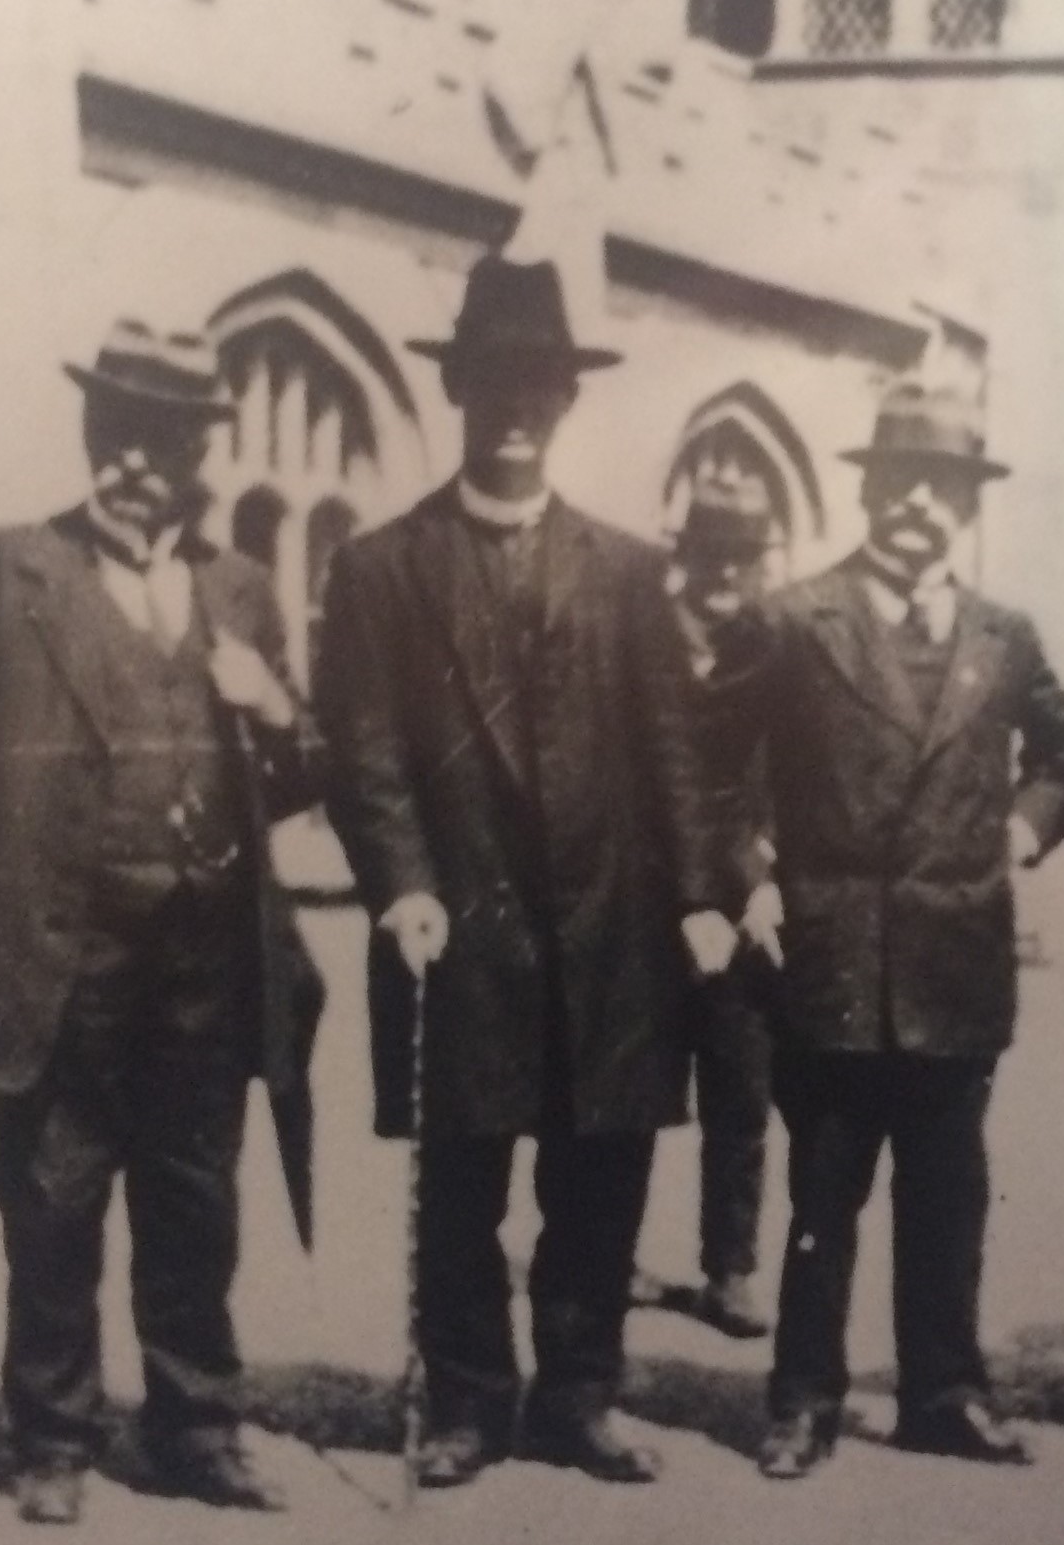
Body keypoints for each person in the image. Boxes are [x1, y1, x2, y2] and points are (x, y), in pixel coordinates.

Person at [0, 319, 325, 1525]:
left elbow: (295, 776)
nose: (134, 461)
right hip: (59, 948)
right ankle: (52, 1435)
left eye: (163, 438)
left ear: (199, 454)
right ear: (94, 437)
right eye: (116, 432)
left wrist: (271, 701)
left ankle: (196, 1425)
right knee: (53, 1196)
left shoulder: (238, 587)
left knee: (195, 1198)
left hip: (204, 957)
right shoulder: (3, 570)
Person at [313, 256, 729, 1492]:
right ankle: (466, 1401)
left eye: (537, 382)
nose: (514, 405)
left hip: (610, 933)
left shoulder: (623, 569)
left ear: (565, 400)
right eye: (492, 379)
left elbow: (674, 751)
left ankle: (578, 1395)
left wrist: (700, 892)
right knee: (461, 1180)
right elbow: (366, 746)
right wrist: (399, 881)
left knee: (599, 1174)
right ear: (457, 390)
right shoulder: (382, 565)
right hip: (458, 921)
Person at [701, 381, 1064, 1481]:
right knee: (823, 1191)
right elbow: (713, 769)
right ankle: (801, 1398)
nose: (921, 504)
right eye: (902, 481)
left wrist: (1022, 830)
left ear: (964, 505)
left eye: (946, 486)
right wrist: (753, 873)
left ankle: (944, 1391)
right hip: (827, 956)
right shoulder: (793, 617)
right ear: (866, 489)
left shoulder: (1003, 636)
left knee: (946, 1191)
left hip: (953, 958)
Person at [627, 474, 783, 1342]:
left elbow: (784, 779)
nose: (729, 574)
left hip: (741, 899)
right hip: (645, 900)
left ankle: (731, 1268)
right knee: (633, 1086)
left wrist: (760, 876)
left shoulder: (771, 646)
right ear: (682, 556)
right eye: (714, 554)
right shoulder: (635, 637)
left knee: (740, 1087)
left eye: (745, 558)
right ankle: (615, 1251)